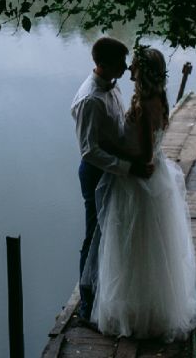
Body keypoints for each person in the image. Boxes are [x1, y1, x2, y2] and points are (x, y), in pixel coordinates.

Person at [86, 46, 196, 341]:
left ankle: (139, 313)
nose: (129, 70)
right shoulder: (159, 99)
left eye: (134, 66)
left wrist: (113, 151)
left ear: (143, 71)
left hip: (139, 184)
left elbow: (144, 156)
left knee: (134, 248)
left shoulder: (141, 108)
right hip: (156, 177)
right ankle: (152, 307)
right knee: (152, 247)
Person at [70, 37, 153, 322]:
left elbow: (116, 131)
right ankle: (86, 305)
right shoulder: (90, 99)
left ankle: (107, 290)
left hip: (115, 166)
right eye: (121, 62)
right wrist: (128, 168)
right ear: (102, 64)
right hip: (96, 172)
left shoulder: (113, 87)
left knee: (112, 230)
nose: (126, 66)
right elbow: (90, 150)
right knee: (94, 234)